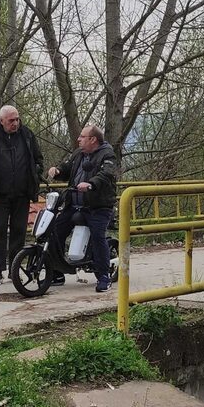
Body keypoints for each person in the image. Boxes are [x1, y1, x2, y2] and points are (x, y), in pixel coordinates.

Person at [47, 123, 119, 293]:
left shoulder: (107, 155)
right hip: (75, 204)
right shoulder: (79, 154)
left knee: (97, 236)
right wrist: (57, 171)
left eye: (82, 137)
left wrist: (91, 184)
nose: (78, 139)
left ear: (93, 139)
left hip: (98, 206)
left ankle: (103, 277)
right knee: (55, 231)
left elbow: (106, 174)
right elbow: (69, 168)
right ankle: (57, 272)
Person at [0, 104, 44, 284]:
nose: (15, 123)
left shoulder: (26, 134)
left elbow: (37, 157)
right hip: (0, 193)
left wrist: (36, 172)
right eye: (11, 120)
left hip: (22, 192)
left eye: (17, 119)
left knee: (19, 231)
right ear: (1, 120)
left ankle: (14, 268)